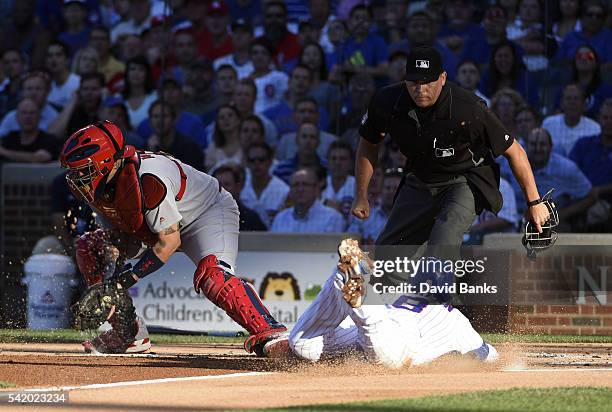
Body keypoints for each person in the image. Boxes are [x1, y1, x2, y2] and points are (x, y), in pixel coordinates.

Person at [60, 120, 288, 355]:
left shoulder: (148, 178)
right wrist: (106, 287)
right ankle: (128, 332)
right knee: (91, 246)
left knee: (213, 276)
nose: (78, 178)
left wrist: (121, 282)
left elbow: (169, 242)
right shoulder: (102, 185)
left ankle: (270, 331)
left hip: (205, 213)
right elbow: (122, 238)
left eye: (84, 170)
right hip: (155, 224)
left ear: (106, 162)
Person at [352, 46, 551, 280]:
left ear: (443, 78)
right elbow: (368, 145)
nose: (420, 89)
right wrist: (361, 195)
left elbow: (515, 152)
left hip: (465, 179)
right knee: (387, 256)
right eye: (414, 82)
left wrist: (534, 202)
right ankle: (399, 311)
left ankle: (442, 308)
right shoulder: (386, 101)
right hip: (421, 177)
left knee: (442, 245)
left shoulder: (468, 107)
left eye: (428, 81)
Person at [288, 238, 499, 367]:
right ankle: (352, 275)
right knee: (380, 338)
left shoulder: (400, 290)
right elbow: (487, 355)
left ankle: (345, 273)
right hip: (395, 346)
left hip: (358, 336)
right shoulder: (456, 320)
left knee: (301, 343)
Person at [511, 127, 595, 229]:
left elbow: (591, 196)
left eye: (542, 144)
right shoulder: (513, 164)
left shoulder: (566, 168)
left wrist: (560, 215)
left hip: (553, 223)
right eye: (533, 144)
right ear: (526, 147)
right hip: (516, 220)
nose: (538, 149)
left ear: (551, 147)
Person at [271, 168, 345, 233]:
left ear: (316, 189)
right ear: (290, 191)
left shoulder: (333, 218)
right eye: (296, 185)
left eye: (305, 184)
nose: (300, 189)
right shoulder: (280, 218)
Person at [542, 84, 601, 157]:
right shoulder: (548, 124)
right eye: (568, 98)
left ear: (584, 104)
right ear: (561, 103)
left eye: (576, 98)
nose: (572, 102)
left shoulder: (595, 129)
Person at [347, 167, 402, 245]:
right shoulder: (365, 216)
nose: (391, 192)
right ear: (381, 190)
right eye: (387, 188)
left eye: (395, 188)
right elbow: (349, 240)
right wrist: (363, 244)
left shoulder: (409, 216)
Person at [241, 142, 290, 227]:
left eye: (261, 160)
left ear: (270, 162)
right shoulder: (240, 187)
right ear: (246, 163)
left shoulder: (284, 190)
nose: (257, 164)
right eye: (252, 160)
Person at [147, 100, 204, 171]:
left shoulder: (189, 147)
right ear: (150, 121)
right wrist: (151, 153)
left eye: (164, 116)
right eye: (155, 116)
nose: (160, 120)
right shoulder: (146, 149)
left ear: (174, 120)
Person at [0, 71, 58, 137]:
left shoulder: (55, 117)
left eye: (38, 89)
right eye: (29, 89)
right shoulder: (11, 117)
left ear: (47, 91)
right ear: (22, 92)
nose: (33, 93)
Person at [0, 98, 59, 163]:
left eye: (32, 113)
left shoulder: (49, 140)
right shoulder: (9, 139)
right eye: (24, 113)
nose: (28, 117)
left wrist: (3, 152)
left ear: (39, 117)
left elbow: (38, 158)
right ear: (17, 117)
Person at [213, 163, 267, 231]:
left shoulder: (251, 219)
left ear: (238, 187)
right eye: (218, 185)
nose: (221, 189)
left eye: (227, 185)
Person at [46, 41, 81, 110]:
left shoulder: (79, 82)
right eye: (50, 55)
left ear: (68, 60)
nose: (53, 59)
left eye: (58, 55)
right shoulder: (45, 85)